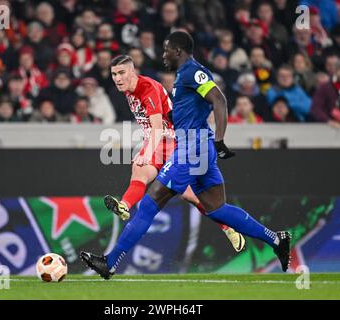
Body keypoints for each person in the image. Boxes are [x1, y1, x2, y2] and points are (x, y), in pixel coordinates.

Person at [81, 31, 291, 279]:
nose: (163, 54)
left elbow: (219, 99)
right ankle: (276, 239)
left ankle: (111, 262)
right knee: (217, 208)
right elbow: (180, 114)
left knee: (148, 205)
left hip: (192, 148)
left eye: (167, 49)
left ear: (178, 51)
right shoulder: (182, 76)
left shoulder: (192, 72)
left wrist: (220, 137)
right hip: (197, 146)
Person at [102, 54, 245, 253]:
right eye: (114, 74)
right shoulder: (129, 90)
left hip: (175, 141)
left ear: (132, 71)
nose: (117, 78)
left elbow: (158, 128)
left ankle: (228, 227)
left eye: (121, 73)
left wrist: (146, 152)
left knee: (191, 196)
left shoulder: (148, 89)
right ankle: (124, 206)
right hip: (158, 140)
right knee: (139, 170)